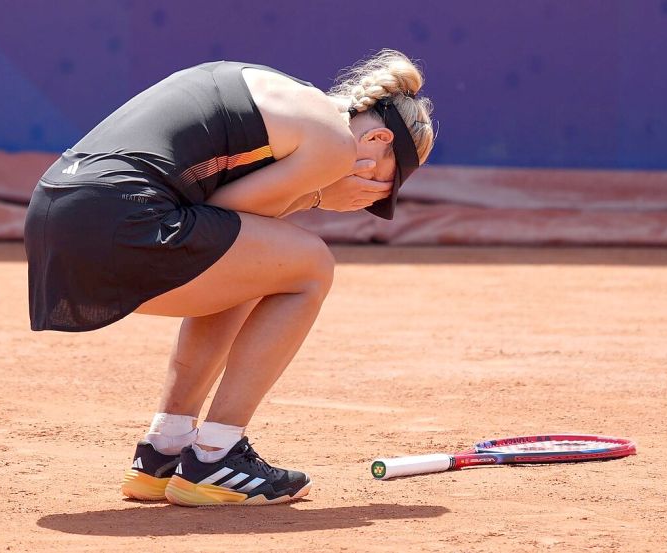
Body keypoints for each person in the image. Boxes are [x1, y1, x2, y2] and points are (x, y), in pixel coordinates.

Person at [23, 49, 435, 506]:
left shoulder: (283, 93)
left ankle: (166, 447)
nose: (371, 195)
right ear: (377, 138)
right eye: (384, 181)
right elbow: (223, 215)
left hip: (54, 215)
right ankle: (217, 456)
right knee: (312, 268)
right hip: (117, 221)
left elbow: (227, 230)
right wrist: (319, 194)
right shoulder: (335, 143)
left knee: (256, 266)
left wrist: (310, 193)